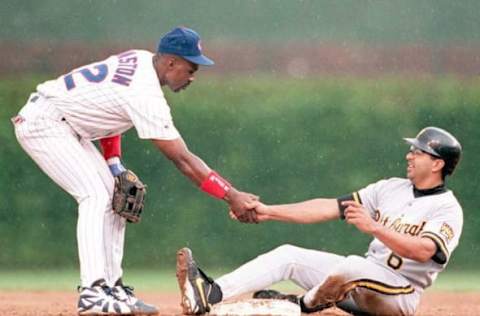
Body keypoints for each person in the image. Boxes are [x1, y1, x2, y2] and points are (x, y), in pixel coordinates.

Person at [12, 26, 258, 315]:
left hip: (67, 125)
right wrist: (231, 195)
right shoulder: (146, 94)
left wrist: (114, 165)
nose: (192, 76)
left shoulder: (141, 60)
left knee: (118, 198)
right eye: (190, 68)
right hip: (46, 123)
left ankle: (112, 288)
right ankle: (93, 291)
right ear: (170, 62)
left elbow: (107, 111)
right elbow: (183, 159)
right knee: (95, 196)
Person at [176, 127, 463, 316]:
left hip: (399, 295)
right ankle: (210, 293)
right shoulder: (391, 188)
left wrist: (375, 227)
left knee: (353, 265)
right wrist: (268, 211)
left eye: (418, 151)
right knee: (289, 255)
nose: (409, 155)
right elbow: (328, 207)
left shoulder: (447, 208)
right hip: (359, 286)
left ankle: (297, 306)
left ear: (437, 163)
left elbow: (425, 251)